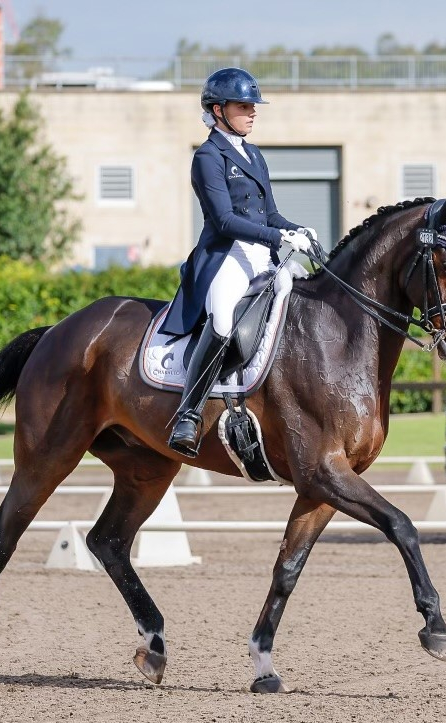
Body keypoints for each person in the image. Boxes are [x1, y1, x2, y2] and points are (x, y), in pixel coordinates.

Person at [159, 67, 315, 458]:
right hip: (226, 254)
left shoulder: (254, 153)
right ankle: (189, 413)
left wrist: (299, 230)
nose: (252, 112)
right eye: (244, 105)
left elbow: (271, 215)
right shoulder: (207, 156)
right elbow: (225, 220)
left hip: (261, 253)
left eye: (253, 106)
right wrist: (278, 237)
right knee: (225, 321)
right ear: (217, 110)